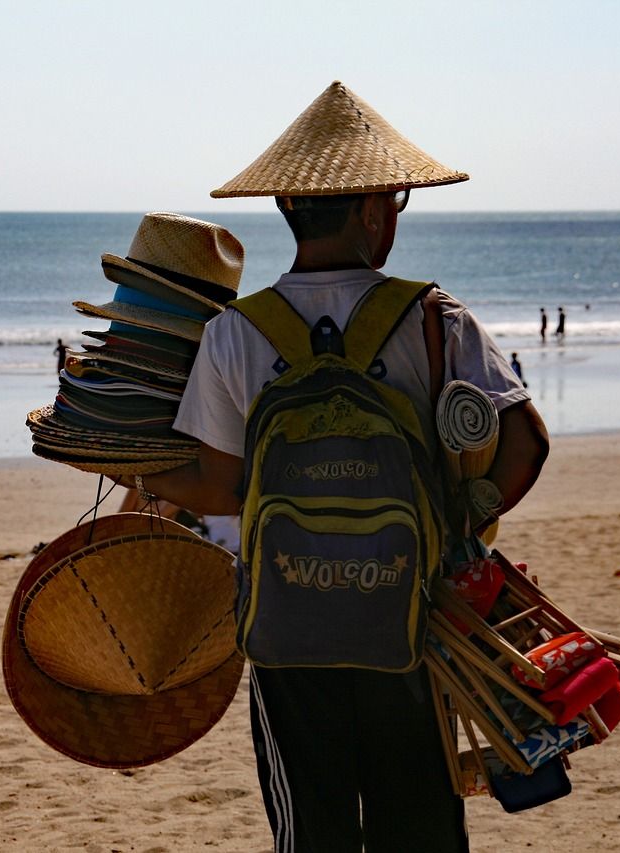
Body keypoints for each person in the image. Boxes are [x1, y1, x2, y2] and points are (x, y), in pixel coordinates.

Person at [126, 82, 549, 852]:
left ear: (288, 206)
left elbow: (222, 488)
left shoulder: (235, 333)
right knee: (418, 824)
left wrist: (142, 475)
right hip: (413, 620)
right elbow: (527, 447)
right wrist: (459, 518)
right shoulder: (434, 318)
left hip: (289, 628)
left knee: (312, 830)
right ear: (373, 209)